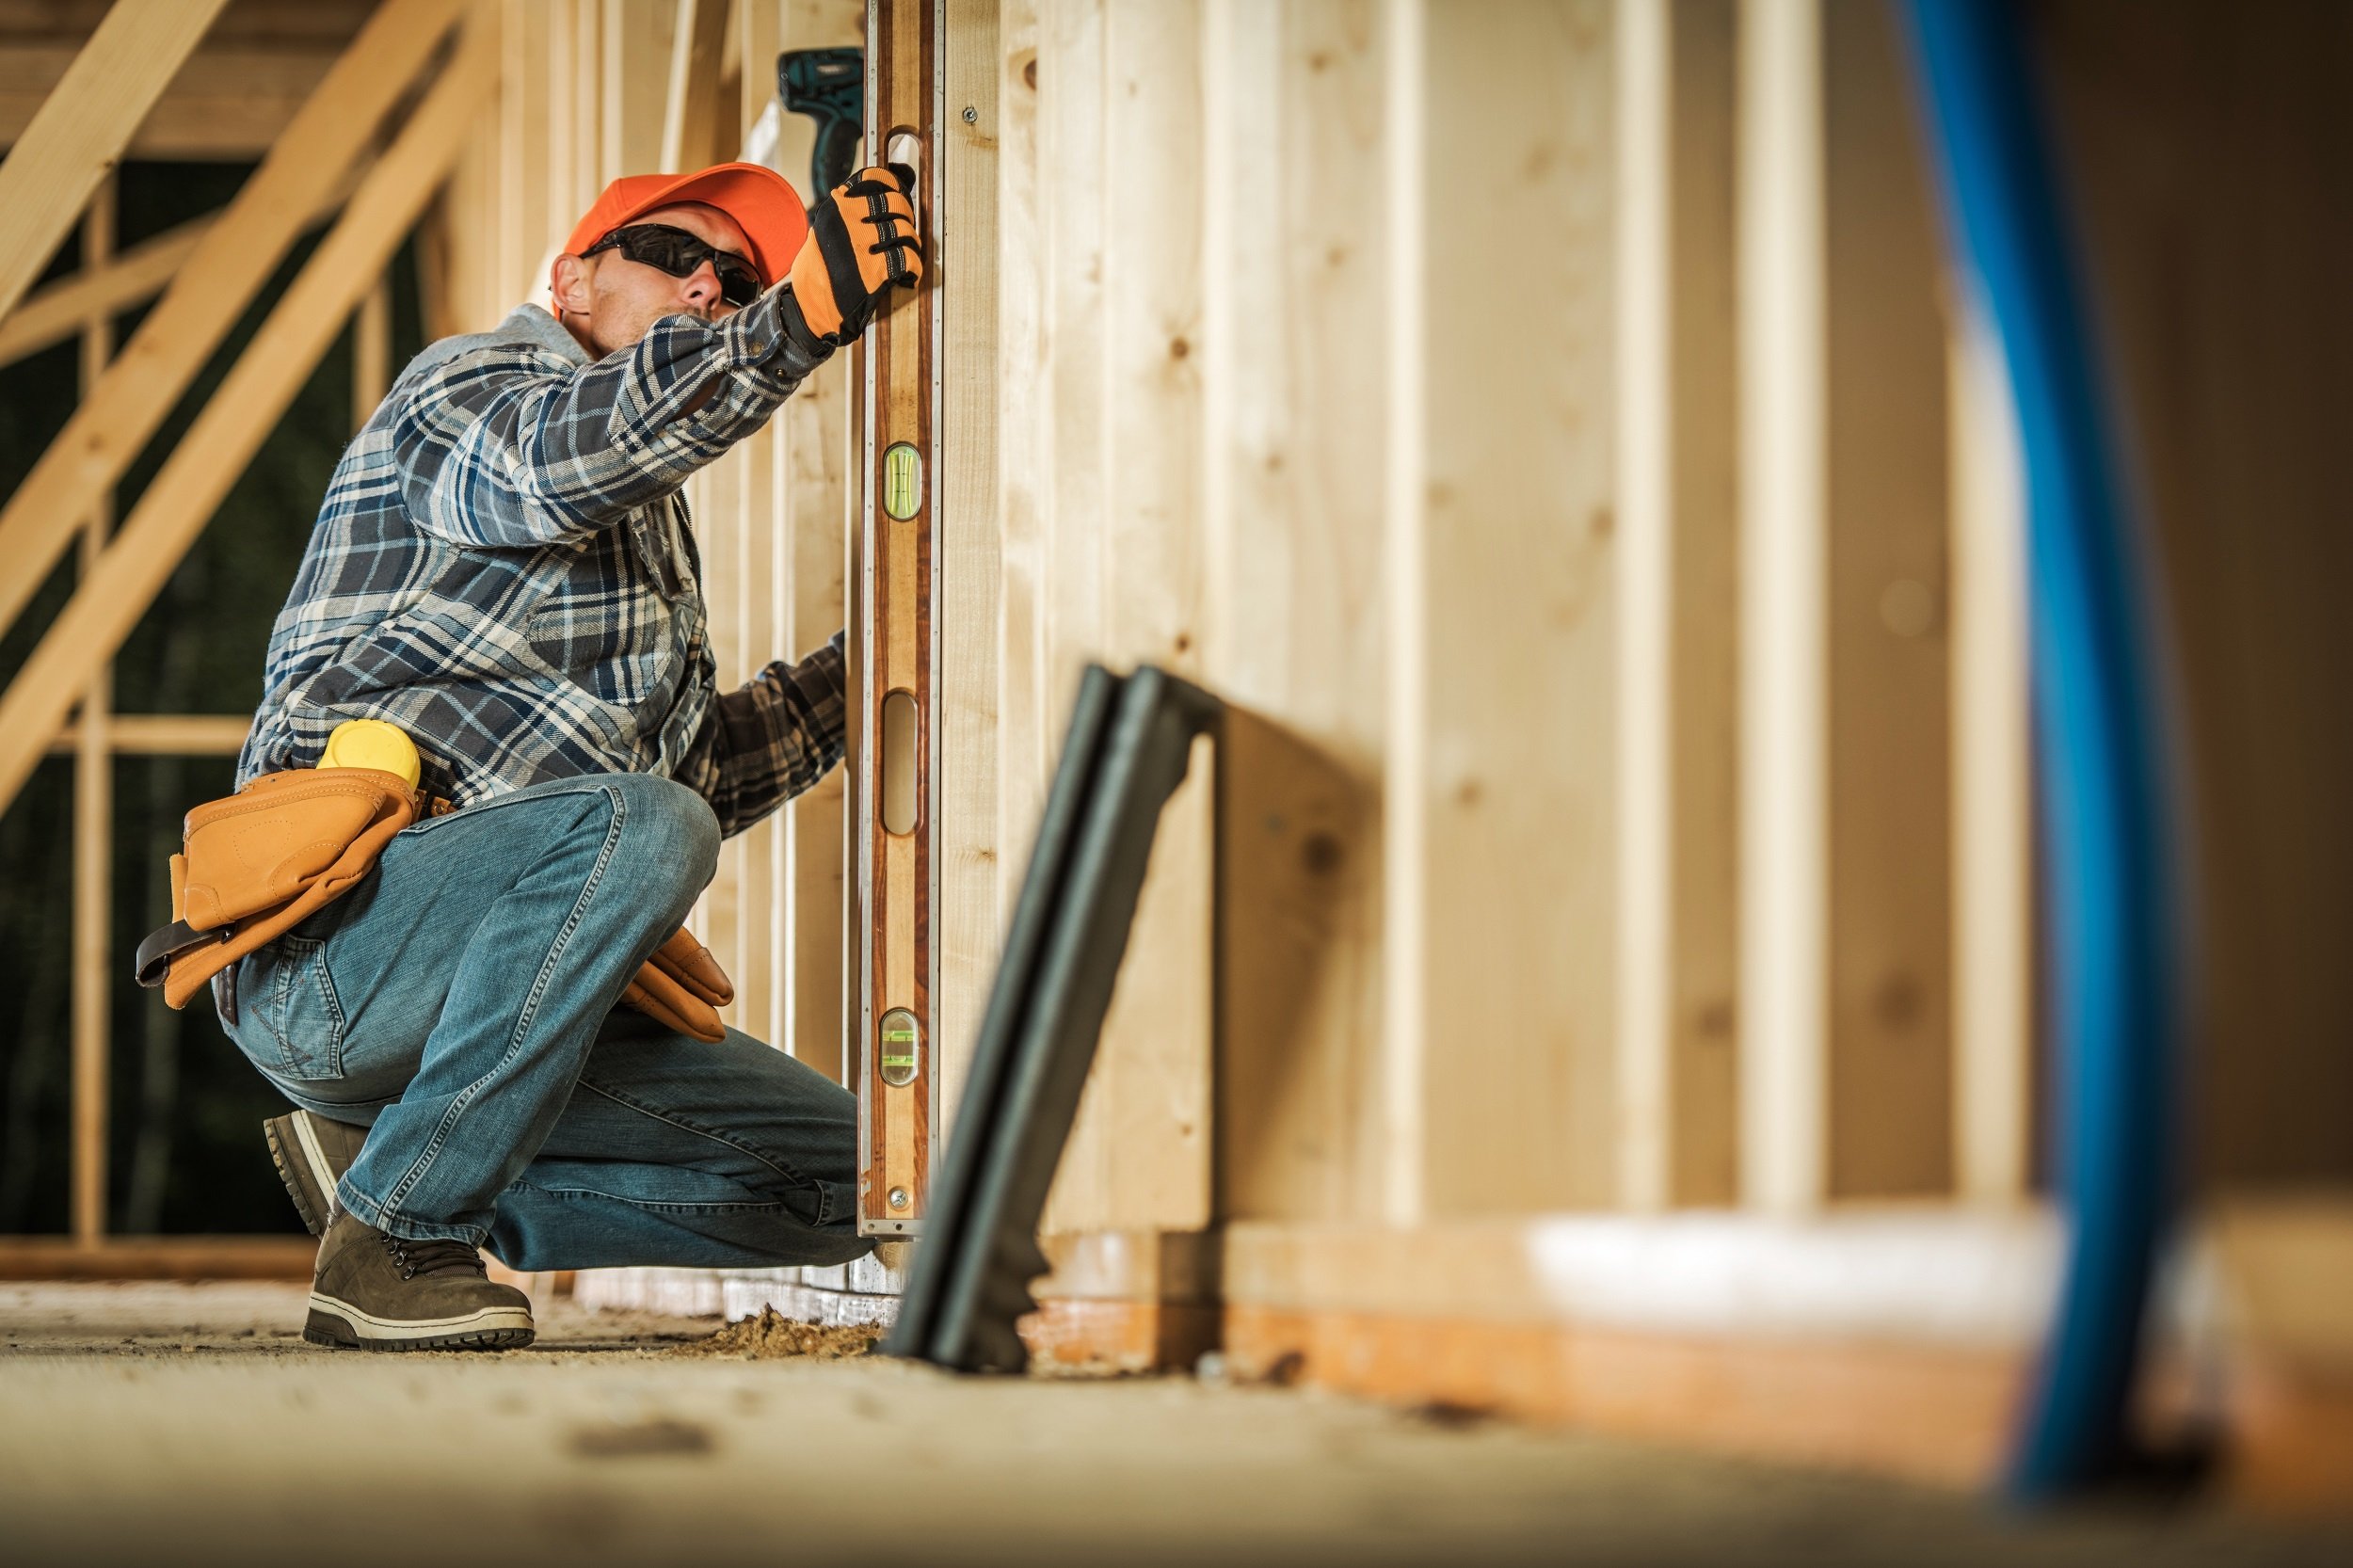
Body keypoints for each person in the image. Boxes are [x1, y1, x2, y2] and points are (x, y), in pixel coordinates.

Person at [221, 160, 920, 1351]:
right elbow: (549, 462)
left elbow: (699, 774)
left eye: (742, 277)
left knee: (863, 1175)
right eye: (675, 252)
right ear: (574, 274)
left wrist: (885, 665)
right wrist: (794, 317)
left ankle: (381, 1157)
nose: (713, 285)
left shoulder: (646, 529)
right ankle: (396, 1235)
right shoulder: (469, 387)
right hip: (335, 954)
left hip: (485, 1002)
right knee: (645, 826)